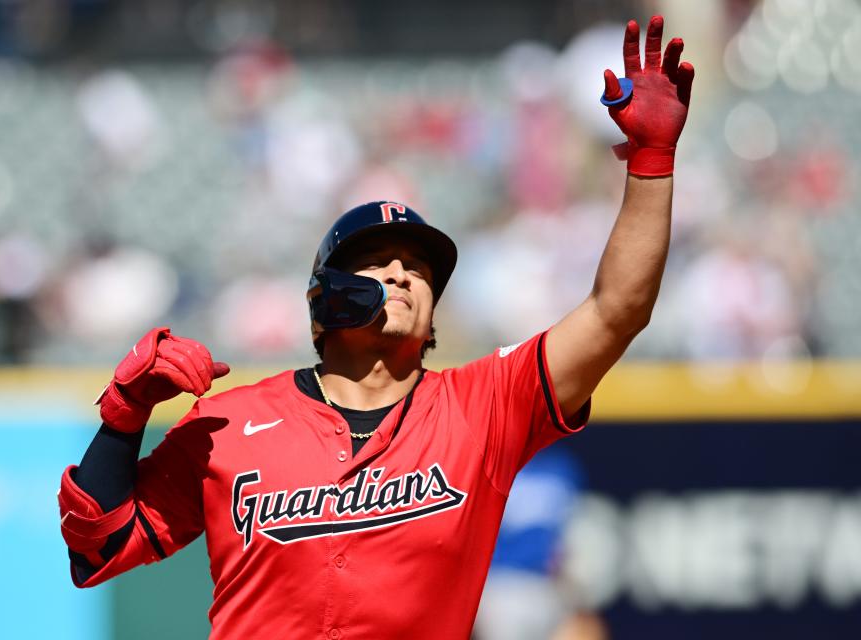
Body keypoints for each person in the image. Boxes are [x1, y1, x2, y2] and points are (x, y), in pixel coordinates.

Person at [58, 16, 693, 639]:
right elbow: (100, 549)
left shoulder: (484, 408)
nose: (402, 273)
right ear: (322, 299)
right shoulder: (228, 427)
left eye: (418, 266)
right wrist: (123, 415)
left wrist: (652, 163)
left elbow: (617, 311)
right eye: (376, 261)